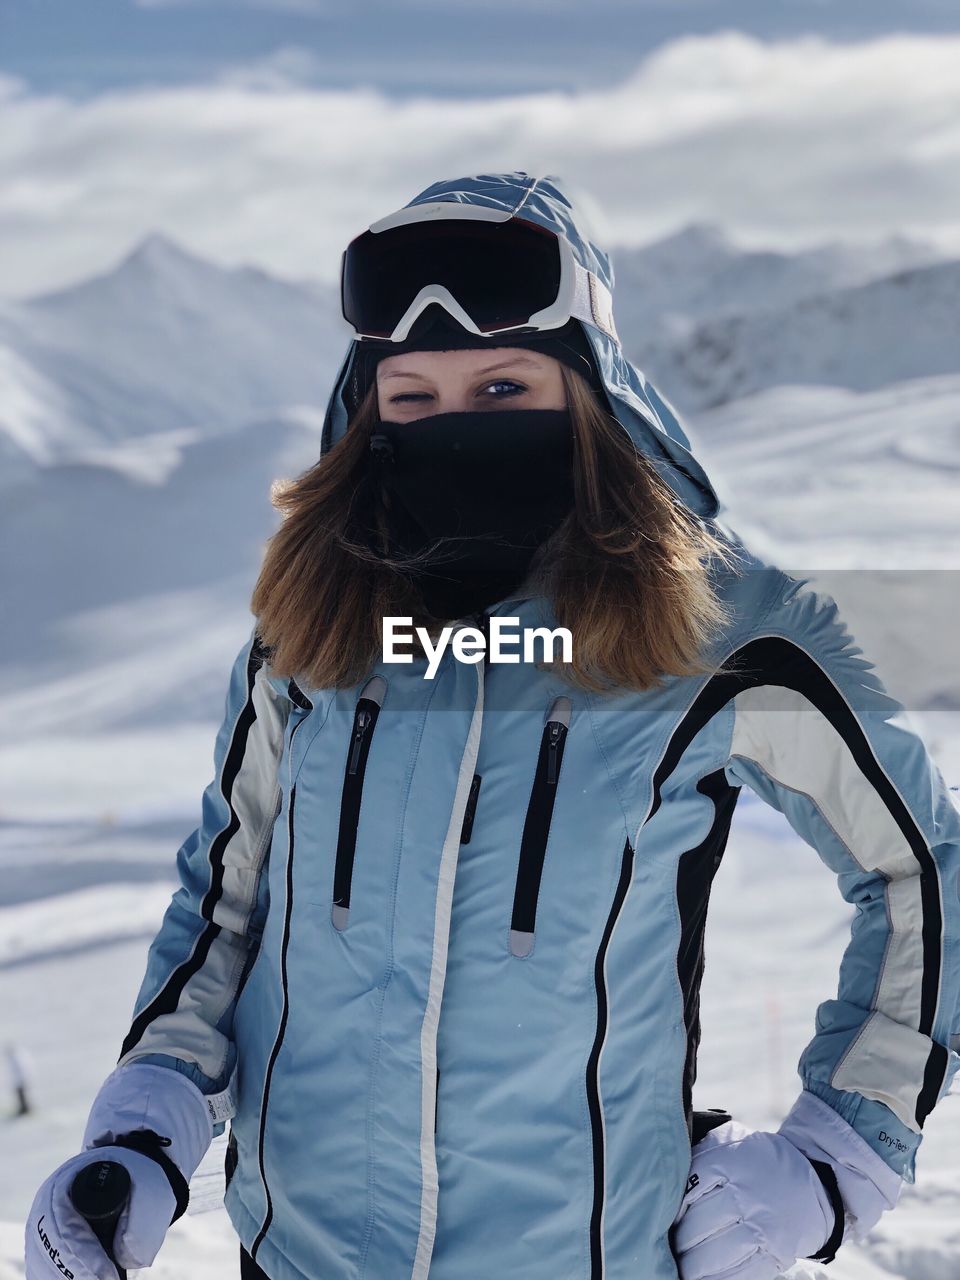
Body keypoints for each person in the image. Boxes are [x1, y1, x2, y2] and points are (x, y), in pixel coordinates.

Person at [25, 171, 960, 1280]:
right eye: (411, 399)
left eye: (505, 385)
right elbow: (224, 901)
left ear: (592, 390)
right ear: (368, 413)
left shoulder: (728, 628)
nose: (452, 427)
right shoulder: (312, 628)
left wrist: (841, 1150)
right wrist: (149, 1122)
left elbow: (923, 874)